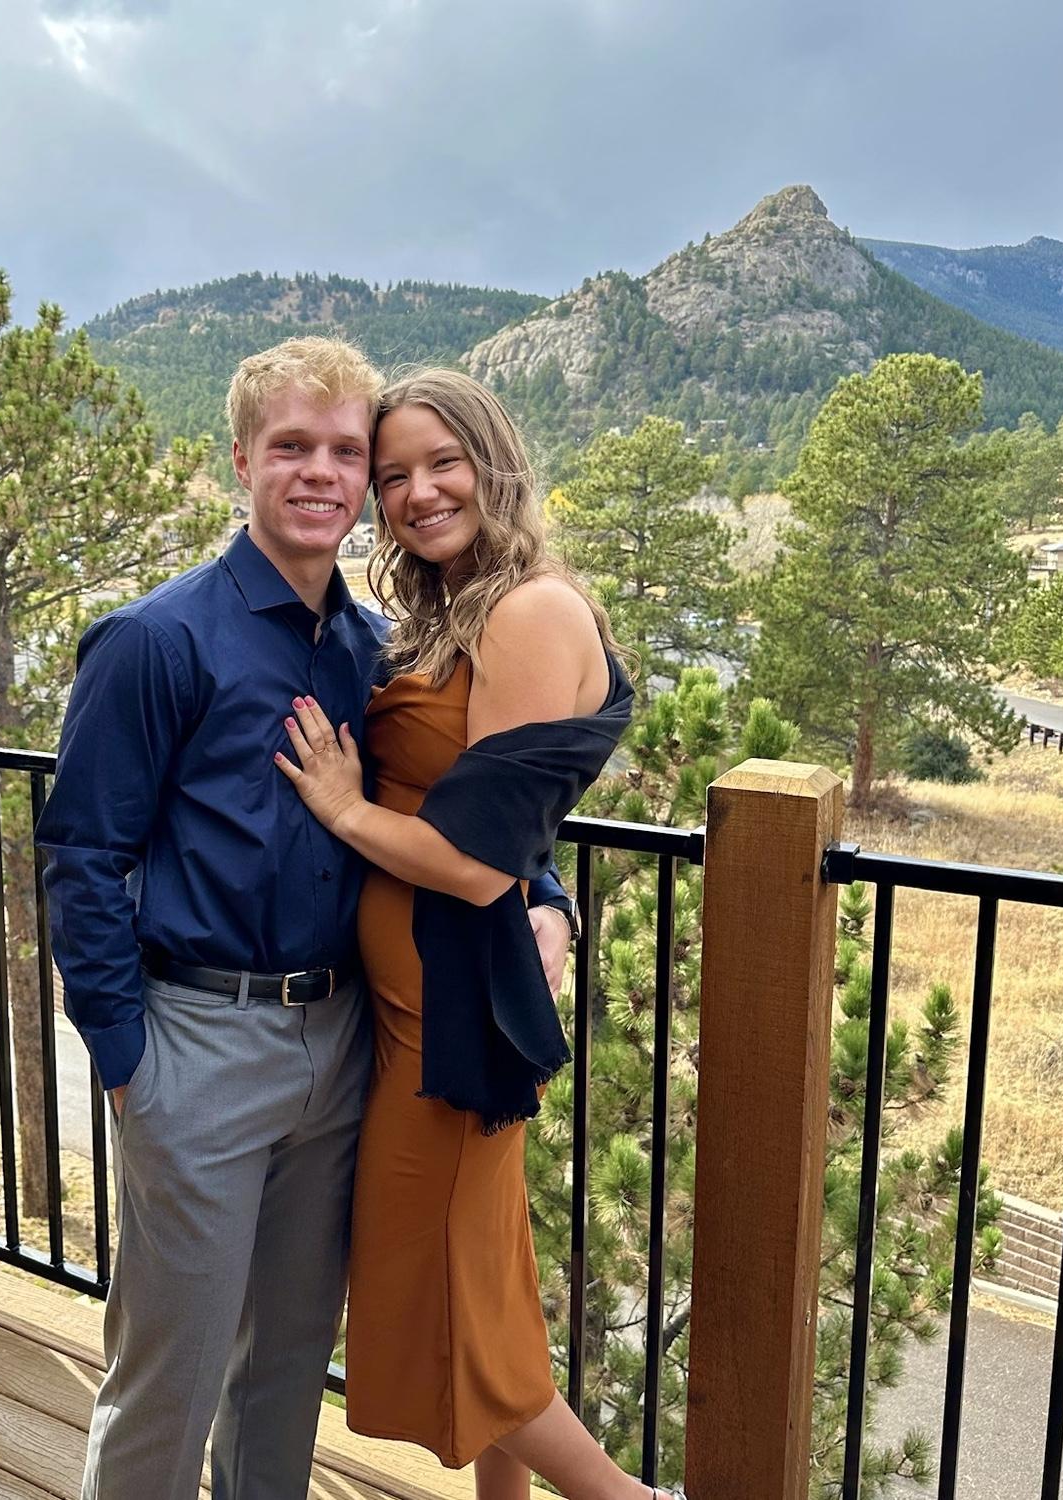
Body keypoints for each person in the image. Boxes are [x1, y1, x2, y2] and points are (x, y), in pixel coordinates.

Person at [35, 336, 576, 1500]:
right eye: (292, 447)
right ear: (241, 459)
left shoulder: (372, 649)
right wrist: (128, 1062)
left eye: (345, 451)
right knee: (171, 1371)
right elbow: (82, 857)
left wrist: (548, 897)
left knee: (284, 1366)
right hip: (200, 1045)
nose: (321, 473)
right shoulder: (156, 641)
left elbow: (471, 801)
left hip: (344, 1045)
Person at [274, 368, 686, 1500]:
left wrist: (344, 809)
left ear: (494, 462)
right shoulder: (455, 605)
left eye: (442, 463)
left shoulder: (531, 610)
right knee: (484, 1292)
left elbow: (476, 861)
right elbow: (504, 825)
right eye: (393, 474)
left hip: (450, 1016)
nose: (417, 492)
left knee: (449, 1305)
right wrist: (553, 898)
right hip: (417, 1005)